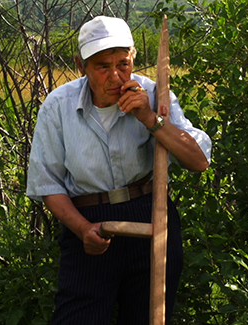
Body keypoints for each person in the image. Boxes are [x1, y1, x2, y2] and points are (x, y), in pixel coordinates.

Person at [26, 16, 212, 324]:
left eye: (123, 63)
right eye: (102, 66)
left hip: (151, 212)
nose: (115, 76)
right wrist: (83, 229)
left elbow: (199, 161)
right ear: (80, 65)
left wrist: (151, 118)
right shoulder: (58, 106)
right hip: (89, 223)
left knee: (147, 317)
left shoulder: (155, 95)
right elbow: (48, 185)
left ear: (133, 57)